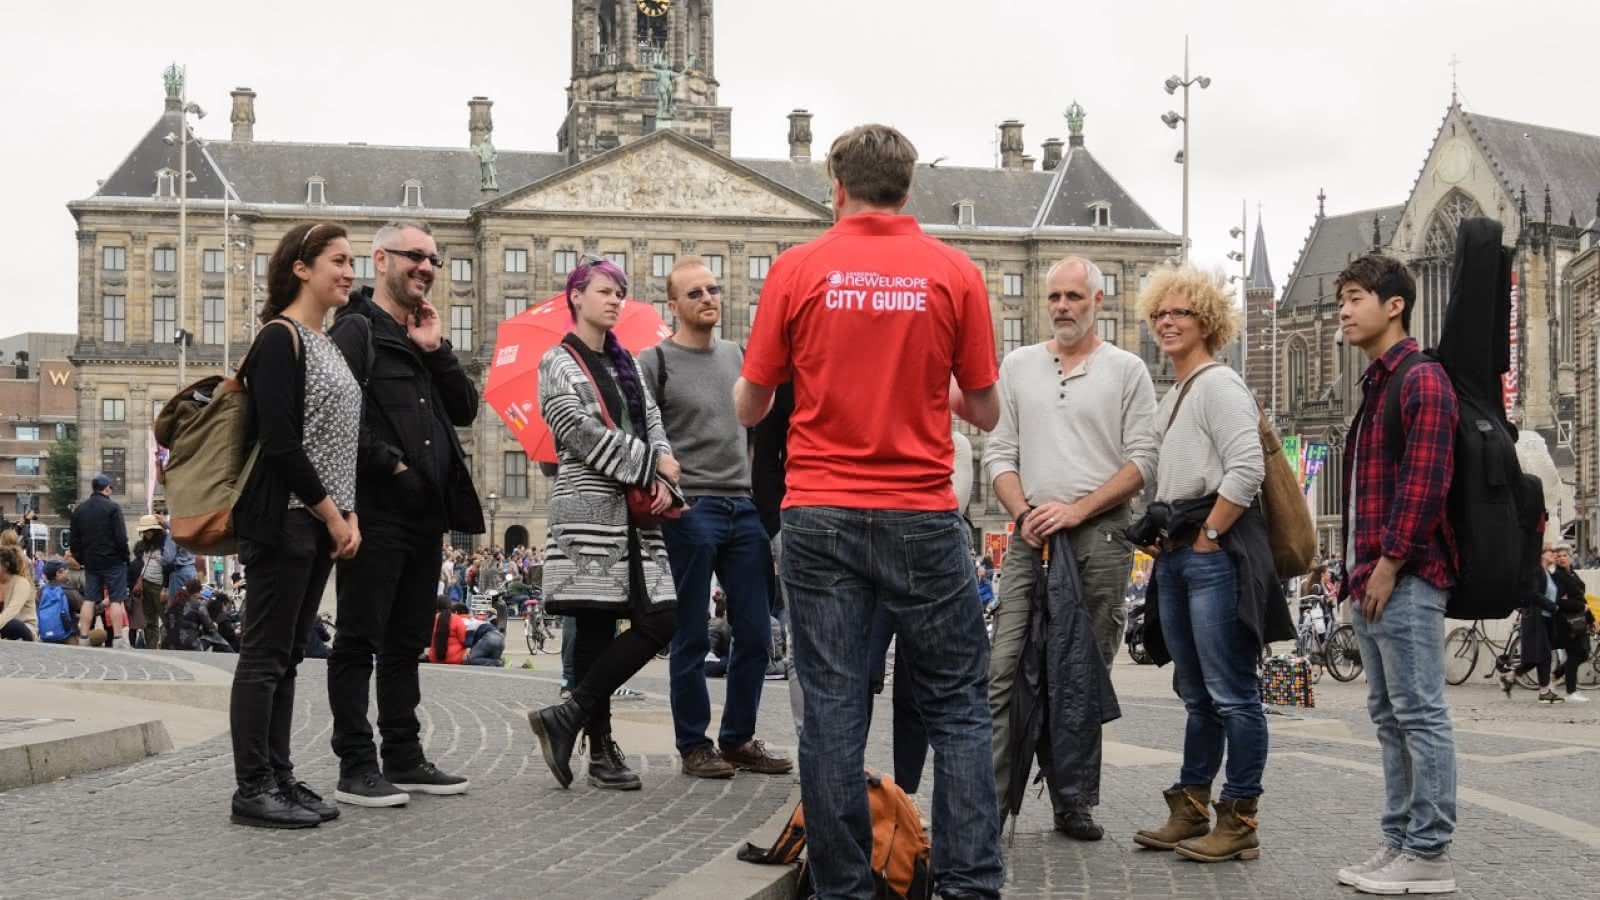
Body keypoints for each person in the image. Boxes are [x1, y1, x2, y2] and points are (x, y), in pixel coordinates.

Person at [733, 124, 1004, 900]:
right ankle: (970, 886)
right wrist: (936, 390)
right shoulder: (954, 272)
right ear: (909, 188)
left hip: (818, 512)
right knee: (957, 705)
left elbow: (754, 405)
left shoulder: (798, 268)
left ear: (837, 186)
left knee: (831, 711)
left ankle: (845, 889)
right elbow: (983, 411)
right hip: (920, 511)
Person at [984, 255, 1159, 841]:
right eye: (1054, 296)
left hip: (1100, 536)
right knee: (1005, 668)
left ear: (1098, 302)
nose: (1062, 307)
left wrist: (1078, 509)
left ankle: (1072, 799)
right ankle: (990, 799)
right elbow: (998, 454)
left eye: (1073, 297)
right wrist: (1023, 512)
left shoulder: (1127, 370)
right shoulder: (1019, 365)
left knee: (1080, 675)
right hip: (1029, 535)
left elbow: (1142, 461)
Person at [326, 220, 483, 808]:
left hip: (425, 516)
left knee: (405, 643)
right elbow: (338, 414)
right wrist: (392, 465)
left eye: (434, 260)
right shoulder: (356, 328)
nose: (426, 267)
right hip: (377, 512)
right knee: (359, 639)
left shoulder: (420, 335)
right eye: (415, 256)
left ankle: (405, 757)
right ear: (381, 260)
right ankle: (356, 764)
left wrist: (437, 349)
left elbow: (465, 409)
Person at [1131, 267, 1284, 864]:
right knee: (1197, 693)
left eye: (1181, 313)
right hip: (1180, 552)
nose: (1167, 322)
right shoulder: (1176, 393)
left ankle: (1240, 817)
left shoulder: (1219, 385)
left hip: (1211, 553)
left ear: (1208, 322)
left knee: (1232, 692)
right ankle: (1192, 808)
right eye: (1160, 314)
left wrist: (1208, 536)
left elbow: (1246, 467)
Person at [527, 257, 681, 793]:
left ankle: (566, 717)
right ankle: (601, 750)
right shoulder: (557, 361)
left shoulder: (628, 365)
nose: (615, 299)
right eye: (604, 291)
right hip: (589, 509)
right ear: (576, 297)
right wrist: (647, 464)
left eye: (620, 292)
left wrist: (663, 464)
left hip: (638, 514)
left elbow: (652, 420)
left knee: (662, 618)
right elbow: (574, 428)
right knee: (594, 625)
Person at [228, 221, 363, 830]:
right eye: (338, 260)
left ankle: (278, 774)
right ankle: (252, 785)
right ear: (301, 268)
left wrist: (347, 510)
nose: (350, 271)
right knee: (263, 656)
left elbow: (336, 440)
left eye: (352, 261)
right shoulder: (279, 338)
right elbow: (282, 444)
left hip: (314, 519)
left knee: (287, 657)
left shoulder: (326, 342)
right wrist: (332, 512)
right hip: (283, 516)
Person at [1334, 253, 1459, 894]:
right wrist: (1353, 571)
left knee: (1420, 715)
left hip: (1405, 579)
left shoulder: (1421, 379)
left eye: (1355, 297)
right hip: (1371, 579)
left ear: (1394, 305)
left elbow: (1425, 483)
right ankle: (1399, 841)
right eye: (1340, 301)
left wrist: (1385, 564)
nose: (1344, 312)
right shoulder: (1378, 385)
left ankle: (1430, 854)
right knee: (1389, 717)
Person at [643, 256, 792, 781]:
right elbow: (638, 434)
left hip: (742, 505)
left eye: (712, 289)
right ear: (673, 306)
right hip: (691, 507)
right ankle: (693, 745)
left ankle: (737, 739)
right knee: (692, 634)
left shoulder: (737, 355)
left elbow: (758, 427)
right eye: (695, 293)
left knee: (756, 631)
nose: (708, 298)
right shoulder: (653, 362)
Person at [69, 473, 131, 647]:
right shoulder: (113, 508)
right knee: (116, 599)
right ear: (107, 488)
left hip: (91, 562)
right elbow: (121, 537)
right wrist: (125, 557)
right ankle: (118, 638)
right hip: (113, 561)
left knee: (90, 599)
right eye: (111, 487)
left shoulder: (80, 510)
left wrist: (80, 558)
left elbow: (74, 539)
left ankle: (83, 637)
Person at [1551, 544, 1593, 702]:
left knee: (1583, 653)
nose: (1562, 558)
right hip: (1566, 621)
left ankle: (1555, 676)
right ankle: (1571, 692)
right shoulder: (1558, 577)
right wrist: (1581, 606)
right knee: (1575, 653)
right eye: (1559, 556)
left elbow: (1581, 597)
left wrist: (1592, 619)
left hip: (1578, 619)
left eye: (1564, 555)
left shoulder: (1572, 574)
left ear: (1570, 557)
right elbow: (1558, 601)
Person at [132, 515, 169, 651]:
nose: (147, 533)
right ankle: (151, 648)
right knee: (149, 620)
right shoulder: (145, 545)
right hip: (146, 584)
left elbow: (168, 567)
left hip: (159, 586)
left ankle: (169, 646)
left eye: (150, 530)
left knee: (166, 617)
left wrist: (165, 587)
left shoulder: (165, 544)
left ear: (156, 530)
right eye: (145, 530)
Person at [0, 531, 38, 641]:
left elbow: (11, 613)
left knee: (11, 624)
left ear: (6, 565)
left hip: (23, 627)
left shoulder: (21, 583)